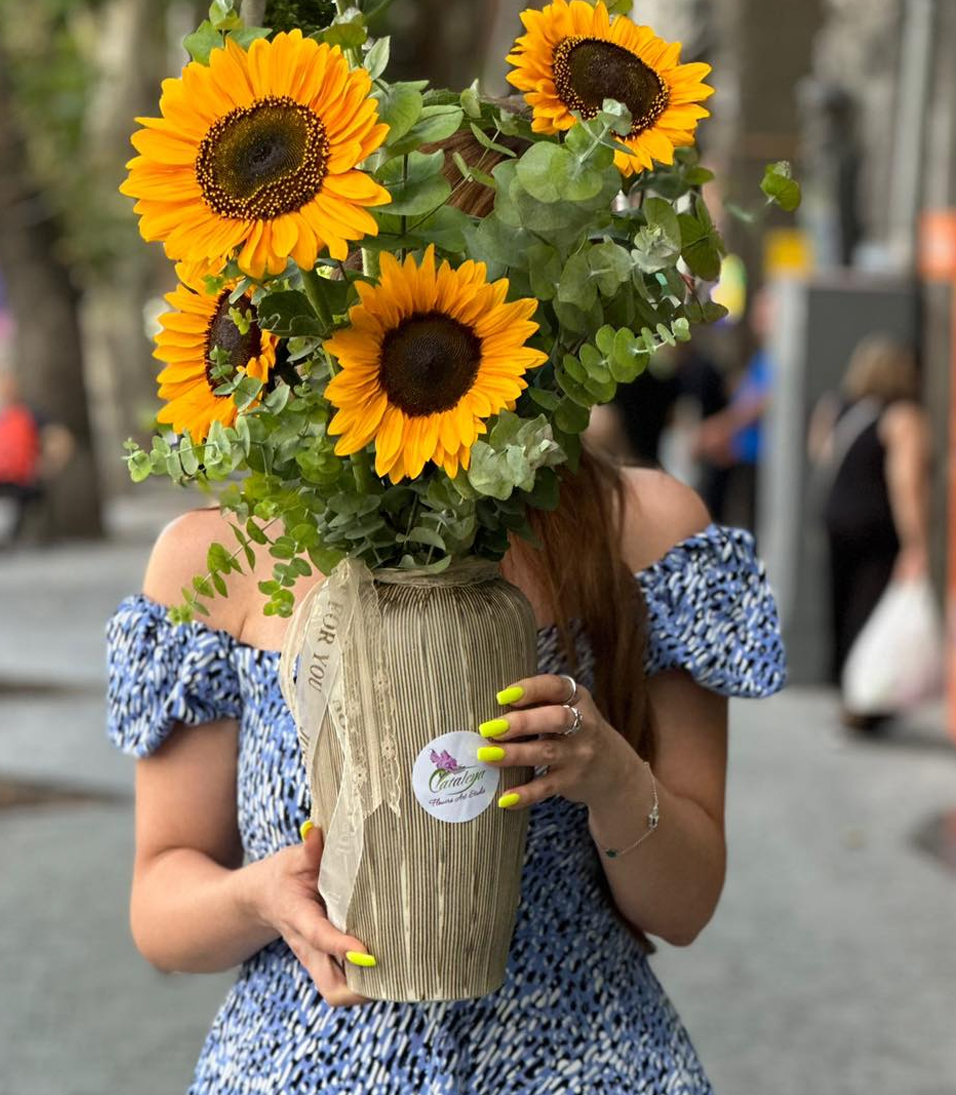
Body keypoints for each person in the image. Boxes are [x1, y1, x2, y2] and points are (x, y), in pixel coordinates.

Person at [105, 134, 787, 1094]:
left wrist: (606, 774)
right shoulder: (214, 562)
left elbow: (686, 903)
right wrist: (261, 897)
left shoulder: (643, 532)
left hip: (583, 1065)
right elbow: (161, 903)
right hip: (298, 1066)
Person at [808, 336, 929, 734]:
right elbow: (904, 482)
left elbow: (820, 454)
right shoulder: (903, 417)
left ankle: (846, 692)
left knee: (840, 607)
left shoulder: (835, 407)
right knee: (871, 609)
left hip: (836, 518)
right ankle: (865, 699)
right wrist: (916, 543)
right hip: (876, 526)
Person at [0, 371, 71, 549]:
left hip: (19, 478)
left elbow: (60, 438)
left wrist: (49, 464)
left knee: (33, 495)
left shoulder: (30, 415)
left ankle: (12, 539)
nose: (4, 391)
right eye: (0, 387)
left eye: (8, 387)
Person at [691, 288, 773, 528]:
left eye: (763, 312)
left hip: (757, 459)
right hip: (741, 455)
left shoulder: (778, 357)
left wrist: (720, 430)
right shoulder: (763, 355)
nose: (756, 320)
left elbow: (759, 402)